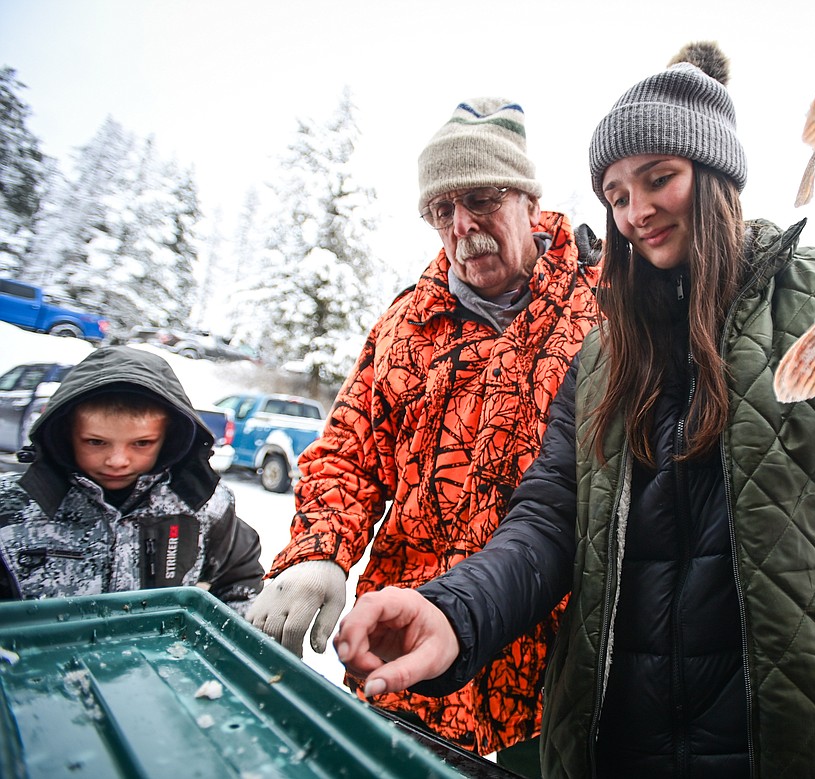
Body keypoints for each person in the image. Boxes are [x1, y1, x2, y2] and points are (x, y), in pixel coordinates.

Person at [333, 1, 815, 776]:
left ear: (713, 172)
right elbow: (548, 520)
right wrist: (456, 610)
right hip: (614, 752)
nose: (636, 210)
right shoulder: (604, 354)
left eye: (658, 176)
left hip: (801, 747)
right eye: (614, 193)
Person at [246, 97, 603, 774]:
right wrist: (318, 551)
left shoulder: (603, 305)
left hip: (554, 673)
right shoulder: (406, 325)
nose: (462, 224)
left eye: (480, 198)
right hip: (406, 658)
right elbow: (348, 456)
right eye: (442, 210)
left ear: (529, 199)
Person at [0, 345, 263, 613]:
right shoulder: (13, 507)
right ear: (65, 433)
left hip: (157, 654)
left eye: (141, 443)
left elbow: (242, 579)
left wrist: (212, 643)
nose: (117, 460)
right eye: (96, 441)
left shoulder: (203, 505)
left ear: (170, 437)